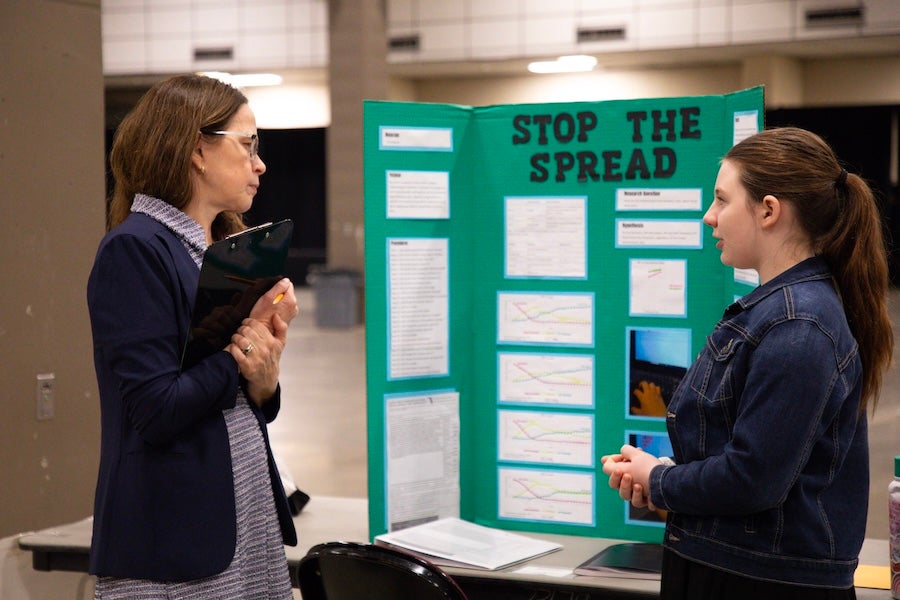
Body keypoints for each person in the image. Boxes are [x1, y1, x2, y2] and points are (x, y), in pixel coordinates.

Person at [602, 127, 893, 599]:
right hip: (735, 568)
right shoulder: (780, 312)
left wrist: (659, 479)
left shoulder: (798, 326)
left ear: (769, 210)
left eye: (721, 200)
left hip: (756, 582)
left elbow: (752, 478)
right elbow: (752, 455)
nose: (708, 216)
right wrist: (662, 475)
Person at [87, 74, 300, 599]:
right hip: (174, 544)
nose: (260, 163)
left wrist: (264, 372)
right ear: (197, 150)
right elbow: (156, 409)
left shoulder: (227, 249)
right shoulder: (135, 249)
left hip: (241, 519)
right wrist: (238, 355)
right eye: (248, 145)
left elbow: (251, 405)